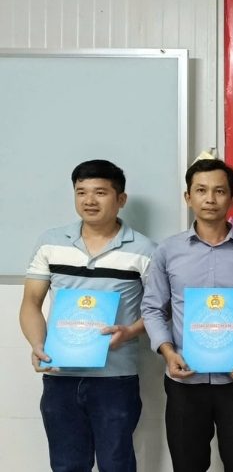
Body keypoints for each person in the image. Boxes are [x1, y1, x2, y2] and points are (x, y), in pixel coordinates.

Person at [19, 159, 154, 472]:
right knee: (67, 465)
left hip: (115, 379)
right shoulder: (50, 243)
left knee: (116, 464)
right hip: (60, 377)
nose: (89, 200)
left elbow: (160, 310)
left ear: (120, 199)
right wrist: (38, 344)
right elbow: (30, 303)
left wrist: (131, 331)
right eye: (81, 192)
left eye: (100, 192)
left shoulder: (145, 250)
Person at [141, 158, 233, 472]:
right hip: (184, 379)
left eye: (220, 191)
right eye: (201, 190)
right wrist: (167, 352)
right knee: (187, 464)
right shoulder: (167, 251)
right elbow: (153, 308)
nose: (210, 198)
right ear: (188, 197)